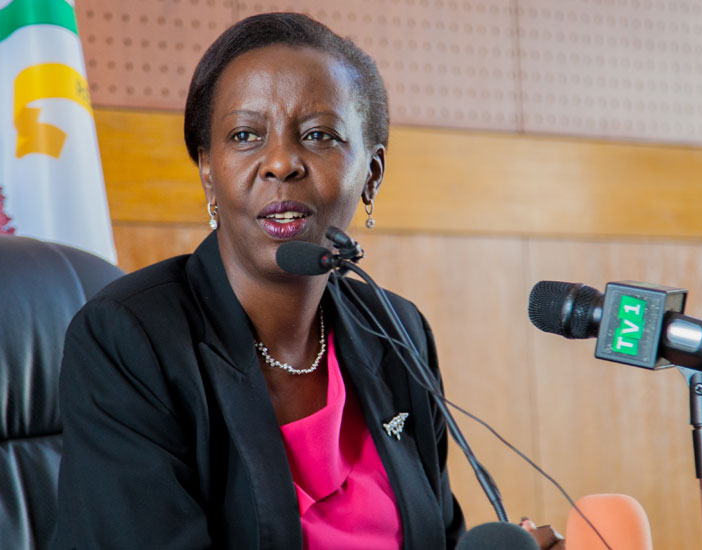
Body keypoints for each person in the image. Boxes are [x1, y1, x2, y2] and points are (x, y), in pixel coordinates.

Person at [50, 12, 564, 550]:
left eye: (319, 135)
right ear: (208, 168)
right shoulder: (131, 339)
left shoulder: (396, 332)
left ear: (372, 174)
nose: (280, 163)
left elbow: (435, 534)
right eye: (245, 135)